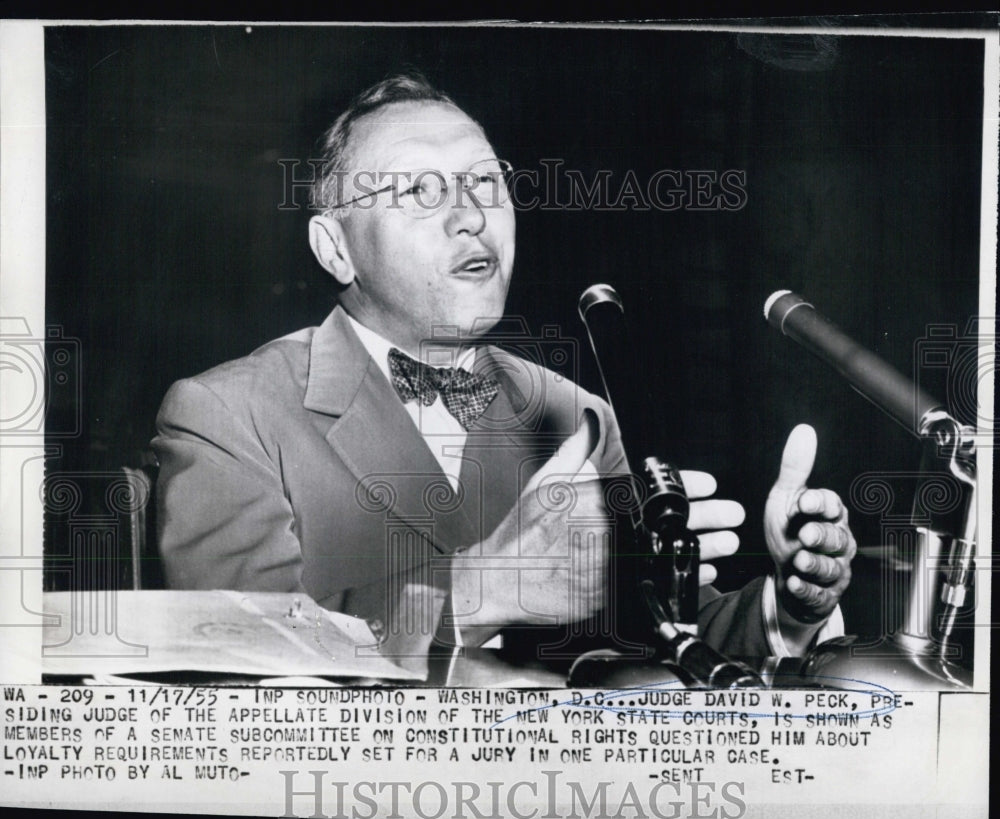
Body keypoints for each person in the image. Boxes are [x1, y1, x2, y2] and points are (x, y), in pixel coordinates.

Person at [152, 72, 856, 679]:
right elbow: (231, 657)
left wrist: (788, 605)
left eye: (485, 180)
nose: (470, 216)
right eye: (418, 191)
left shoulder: (577, 413)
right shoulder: (224, 412)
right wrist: (488, 586)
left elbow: (665, 641)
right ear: (336, 248)